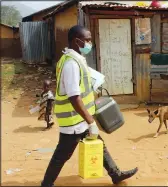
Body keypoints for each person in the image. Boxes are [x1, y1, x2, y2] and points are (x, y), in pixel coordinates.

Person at [41, 25, 138, 187]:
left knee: (100, 146)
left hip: (80, 119)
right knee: (62, 155)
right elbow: (74, 97)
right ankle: (46, 184)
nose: (89, 43)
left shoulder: (75, 59)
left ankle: (115, 174)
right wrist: (91, 122)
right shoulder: (71, 64)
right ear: (76, 41)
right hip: (73, 121)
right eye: (87, 40)